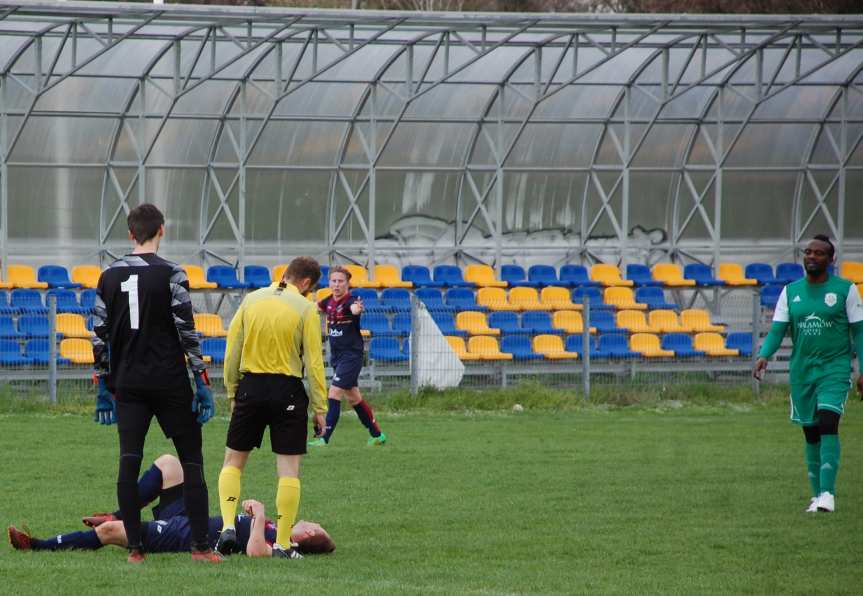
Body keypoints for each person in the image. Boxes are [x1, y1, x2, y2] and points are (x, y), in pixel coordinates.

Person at [91, 203, 219, 563]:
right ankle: (200, 548)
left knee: (128, 461)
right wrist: (202, 380)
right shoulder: (173, 274)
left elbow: (98, 334)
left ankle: (135, 550)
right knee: (191, 461)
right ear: (162, 230)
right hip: (169, 382)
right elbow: (186, 331)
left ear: (131, 234)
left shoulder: (108, 275)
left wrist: (103, 385)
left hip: (128, 384)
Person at [217, 256, 328, 559]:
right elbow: (314, 363)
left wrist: (232, 390)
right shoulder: (306, 309)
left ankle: (227, 526)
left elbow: (232, 350)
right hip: (287, 391)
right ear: (306, 283)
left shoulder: (251, 300)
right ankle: (281, 543)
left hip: (250, 387)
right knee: (288, 470)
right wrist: (320, 407)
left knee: (233, 461)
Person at [7, 455, 335, 557]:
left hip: (184, 535)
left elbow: (254, 554)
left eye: (313, 526)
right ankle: (118, 513)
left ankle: (37, 545)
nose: (309, 521)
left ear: (306, 538)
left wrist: (261, 513)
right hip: (191, 517)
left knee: (109, 533)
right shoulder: (282, 528)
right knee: (170, 463)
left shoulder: (281, 543)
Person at [754, 234, 863, 513]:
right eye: (808, 252)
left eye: (819, 253)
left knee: (828, 423)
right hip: (802, 371)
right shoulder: (790, 292)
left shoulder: (845, 290)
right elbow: (778, 330)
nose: (812, 257)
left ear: (831, 259)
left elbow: (859, 332)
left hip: (834, 369)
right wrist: (764, 355)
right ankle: (816, 497)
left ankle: (828, 493)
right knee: (811, 432)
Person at [308, 265, 387, 447]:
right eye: (333, 281)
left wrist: (357, 310)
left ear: (347, 283)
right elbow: (313, 308)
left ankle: (323, 438)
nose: (336, 285)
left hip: (351, 356)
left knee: (334, 392)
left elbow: (354, 309)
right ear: (329, 283)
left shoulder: (351, 301)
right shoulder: (327, 301)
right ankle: (377, 435)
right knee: (354, 398)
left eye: (340, 281)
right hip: (337, 356)